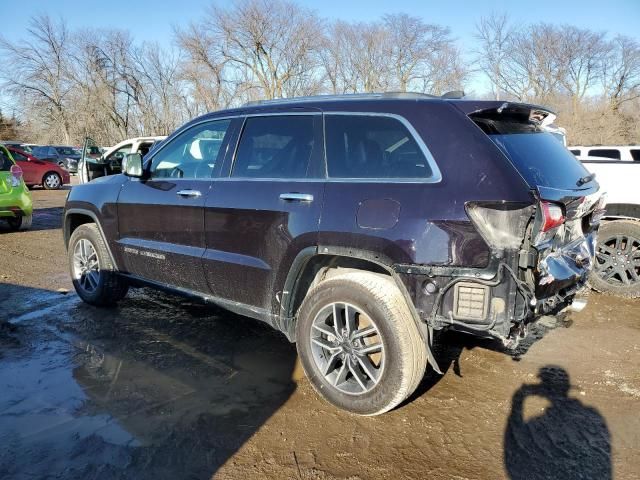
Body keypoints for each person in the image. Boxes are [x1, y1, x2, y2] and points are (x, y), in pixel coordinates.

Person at [504, 366, 611, 480]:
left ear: (542, 391)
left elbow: (513, 447)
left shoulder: (538, 426)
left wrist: (518, 400)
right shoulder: (593, 415)